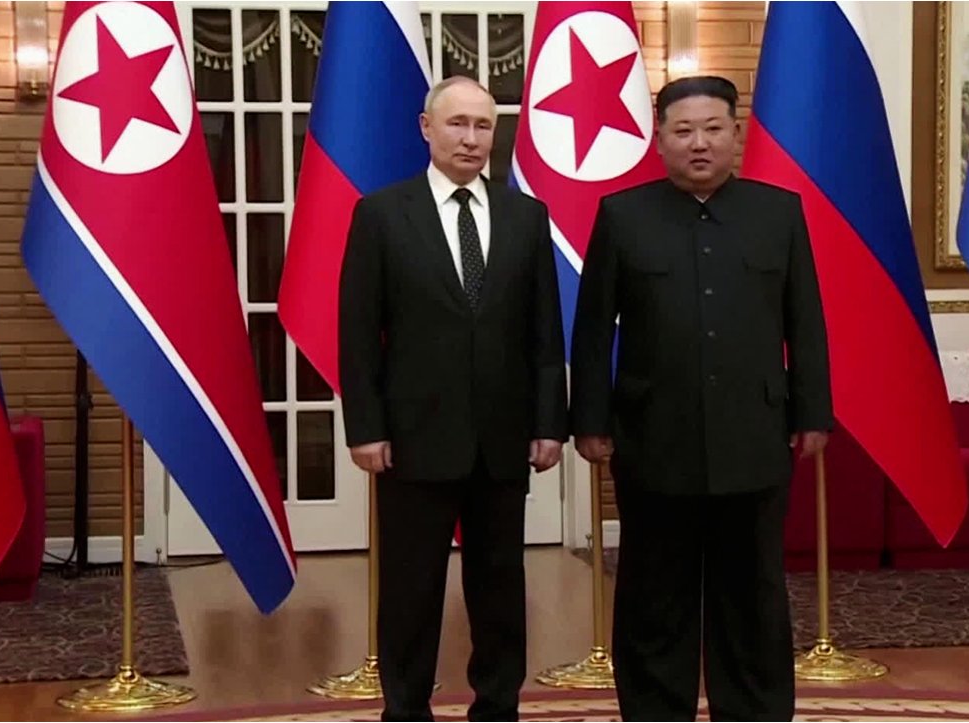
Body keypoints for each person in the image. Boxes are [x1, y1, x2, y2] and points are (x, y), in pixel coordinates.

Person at [569, 75, 833, 721]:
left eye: (713, 129)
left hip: (755, 437)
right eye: (683, 130)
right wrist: (589, 420)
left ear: (735, 134)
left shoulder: (778, 213)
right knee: (654, 595)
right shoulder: (623, 216)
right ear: (659, 139)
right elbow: (593, 327)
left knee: (752, 594)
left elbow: (805, 321)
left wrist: (812, 412)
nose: (698, 143)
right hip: (653, 439)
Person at [338, 75, 568, 722]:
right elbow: (358, 332)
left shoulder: (526, 216)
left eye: (483, 125)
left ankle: (497, 706)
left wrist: (550, 421)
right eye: (457, 123)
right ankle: (406, 707)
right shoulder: (382, 214)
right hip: (413, 439)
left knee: (500, 589)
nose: (471, 138)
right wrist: (366, 426)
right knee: (410, 591)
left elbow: (544, 331)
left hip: (503, 438)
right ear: (426, 128)